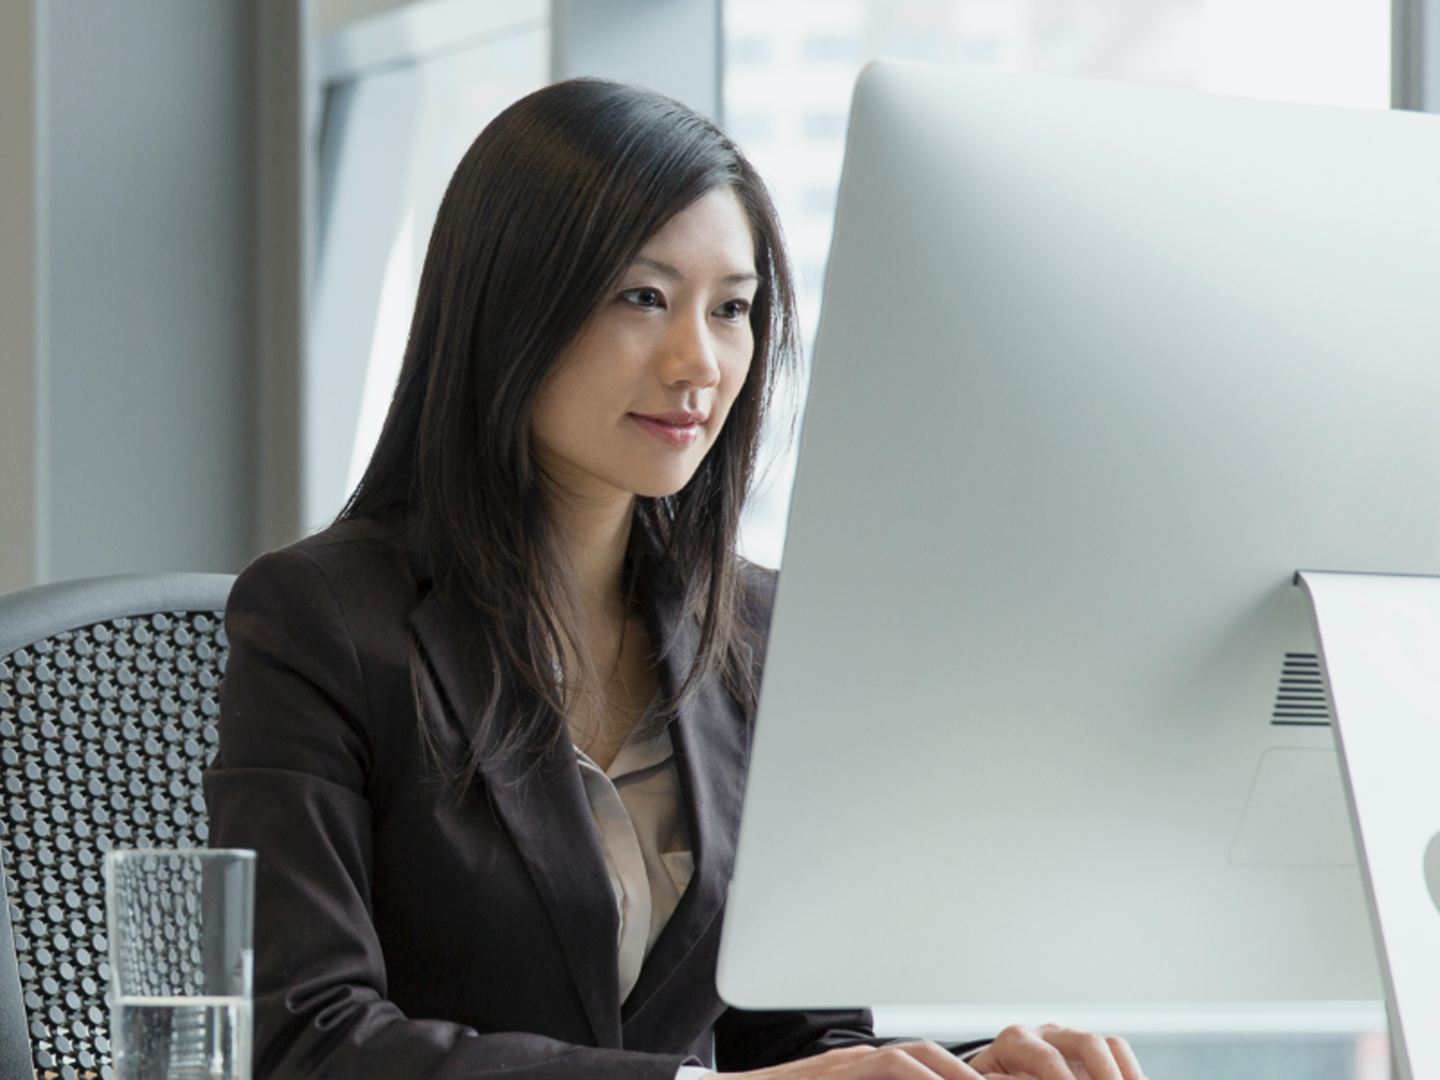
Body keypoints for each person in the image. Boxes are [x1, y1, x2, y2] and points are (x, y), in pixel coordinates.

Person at [204, 79, 1147, 1080]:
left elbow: (790, 1045)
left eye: (732, 308)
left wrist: (966, 1069)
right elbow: (306, 1039)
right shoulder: (320, 623)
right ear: (509, 302)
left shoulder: (761, 634)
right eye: (644, 297)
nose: (699, 360)